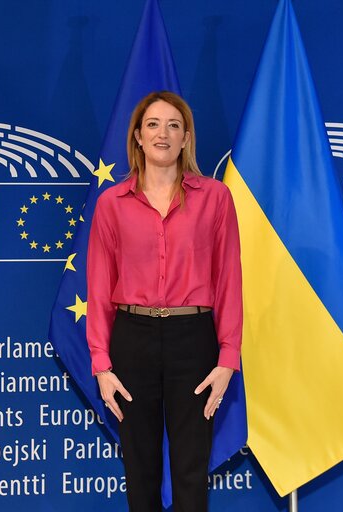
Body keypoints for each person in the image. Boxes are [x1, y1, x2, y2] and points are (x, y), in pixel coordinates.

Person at [86, 91, 242, 512]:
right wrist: (101, 364)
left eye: (174, 125)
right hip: (131, 341)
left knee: (192, 475)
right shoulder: (110, 205)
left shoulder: (215, 199)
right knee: (140, 473)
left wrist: (228, 358)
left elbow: (229, 279)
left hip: (193, 340)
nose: (163, 133)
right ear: (137, 136)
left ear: (186, 137)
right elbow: (99, 289)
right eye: (153, 124)